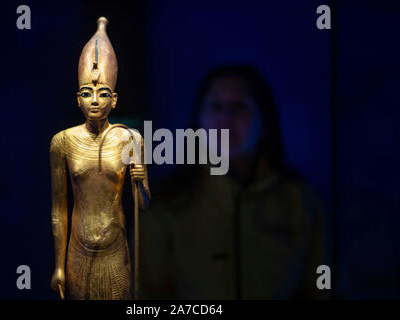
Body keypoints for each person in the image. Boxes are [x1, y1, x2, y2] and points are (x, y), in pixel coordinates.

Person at [141, 65, 326, 299]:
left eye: (240, 106)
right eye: (216, 106)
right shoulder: (166, 204)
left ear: (265, 120)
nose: (226, 117)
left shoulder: (300, 202)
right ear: (199, 119)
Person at [49, 17, 150, 300]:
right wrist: (58, 265)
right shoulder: (62, 142)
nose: (94, 100)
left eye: (102, 93)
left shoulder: (130, 139)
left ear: (114, 100)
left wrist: (140, 182)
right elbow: (59, 209)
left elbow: (143, 206)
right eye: (87, 93)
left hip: (115, 251)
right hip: (77, 253)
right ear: (77, 99)